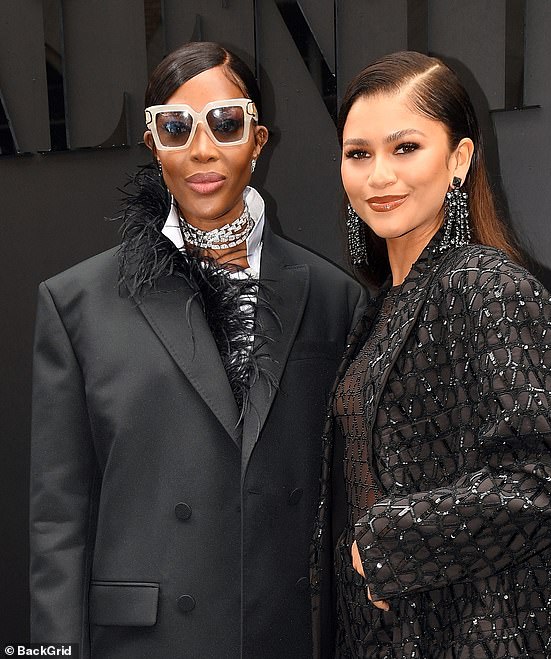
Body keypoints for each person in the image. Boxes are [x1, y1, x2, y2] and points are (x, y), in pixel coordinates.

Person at [30, 41, 365, 658]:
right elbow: (58, 522)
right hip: (143, 641)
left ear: (259, 140)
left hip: (281, 634)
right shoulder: (77, 304)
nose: (202, 150)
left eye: (226, 122)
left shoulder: (333, 299)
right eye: (176, 128)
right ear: (154, 145)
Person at [310, 51, 551, 659]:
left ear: (459, 160)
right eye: (358, 153)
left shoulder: (491, 288)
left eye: (405, 148)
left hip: (475, 634)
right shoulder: (379, 306)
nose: (379, 175)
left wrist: (391, 543)